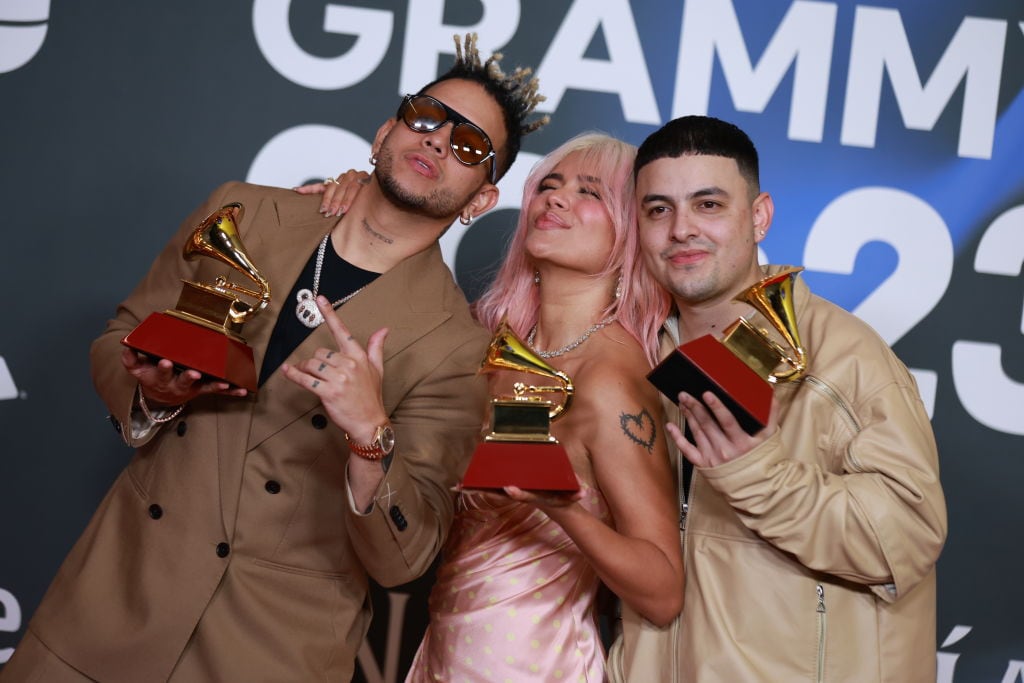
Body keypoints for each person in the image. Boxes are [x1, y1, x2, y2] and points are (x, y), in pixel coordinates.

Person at [0, 34, 548, 683]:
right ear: (383, 132)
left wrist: (372, 441)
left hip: (273, 649)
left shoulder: (456, 346)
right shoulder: (247, 212)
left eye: (469, 146)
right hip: (115, 606)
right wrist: (152, 393)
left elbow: (408, 552)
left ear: (481, 200)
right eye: (426, 116)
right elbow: (120, 334)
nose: (436, 140)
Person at [626, 115, 947, 682]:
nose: (680, 230)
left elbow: (908, 539)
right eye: (659, 210)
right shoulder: (638, 353)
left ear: (759, 216)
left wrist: (759, 474)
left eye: (708, 205)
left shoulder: (844, 358)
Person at [407, 132, 683, 682]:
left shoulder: (610, 380)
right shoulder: (496, 343)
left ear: (630, 233)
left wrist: (562, 508)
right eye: (548, 186)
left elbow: (663, 589)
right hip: (446, 652)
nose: (555, 199)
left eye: (589, 192)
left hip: (536, 666)